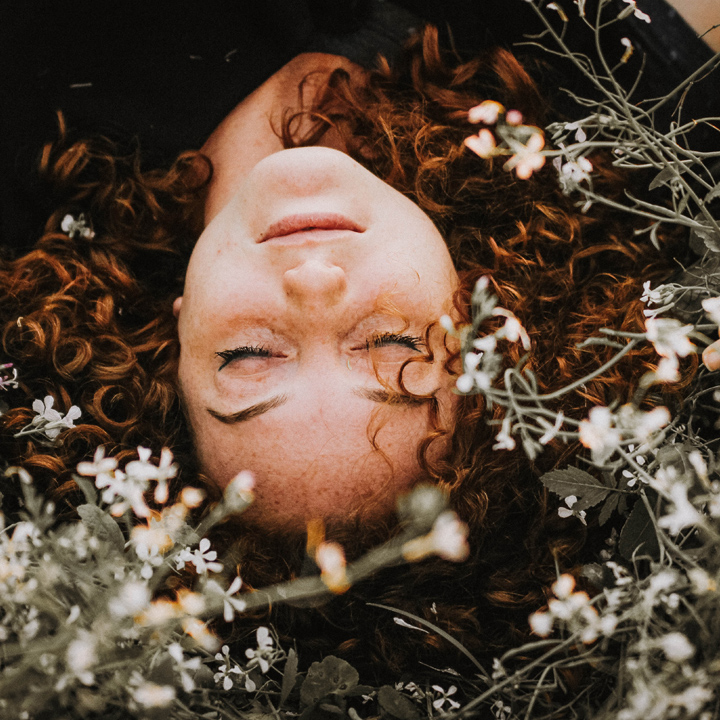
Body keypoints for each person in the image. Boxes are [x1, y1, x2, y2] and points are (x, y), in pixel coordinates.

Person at [0, 0, 718, 679]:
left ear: (173, 336)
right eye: (392, 347)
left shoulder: (31, 113)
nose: (313, 284)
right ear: (479, 318)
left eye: (250, 355)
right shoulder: (625, 114)